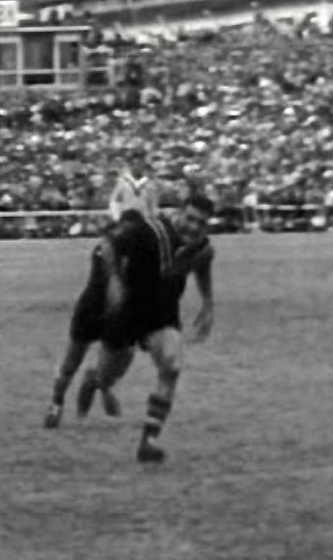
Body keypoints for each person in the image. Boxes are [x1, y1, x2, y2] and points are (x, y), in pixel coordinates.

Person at [43, 196, 215, 463]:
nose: (193, 227)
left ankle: (148, 441)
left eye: (201, 223)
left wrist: (208, 303)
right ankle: (94, 379)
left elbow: (202, 266)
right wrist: (114, 282)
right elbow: (109, 244)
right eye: (190, 219)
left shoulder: (202, 246)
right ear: (179, 213)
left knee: (172, 365)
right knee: (110, 374)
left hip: (162, 313)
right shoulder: (150, 231)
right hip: (127, 312)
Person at [108, 150, 159, 221]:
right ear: (130, 165)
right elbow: (114, 201)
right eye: (136, 164)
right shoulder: (123, 181)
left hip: (144, 220)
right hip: (127, 220)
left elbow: (153, 203)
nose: (138, 167)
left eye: (141, 164)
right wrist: (117, 217)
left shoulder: (149, 183)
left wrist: (153, 216)